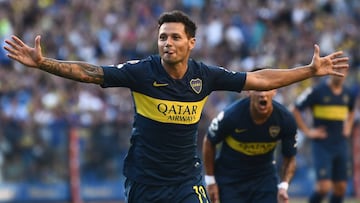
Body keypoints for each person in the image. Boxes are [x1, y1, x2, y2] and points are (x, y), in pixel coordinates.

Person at [3, 10, 349, 203]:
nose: (167, 43)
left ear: (191, 42)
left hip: (186, 182)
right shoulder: (140, 72)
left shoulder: (206, 76)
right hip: (145, 185)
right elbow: (91, 73)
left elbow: (260, 79)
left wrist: (309, 70)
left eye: (175, 37)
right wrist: (44, 63)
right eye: (163, 37)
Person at [202, 73, 297, 203]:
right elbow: (209, 141)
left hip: (264, 180)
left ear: (275, 90)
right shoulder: (230, 116)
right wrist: (210, 181)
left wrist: (283, 186)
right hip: (231, 180)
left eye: (267, 88)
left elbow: (290, 157)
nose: (263, 94)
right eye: (258, 89)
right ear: (248, 91)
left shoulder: (285, 119)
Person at [292, 68, 355, 203]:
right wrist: (308, 131)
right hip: (322, 145)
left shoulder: (348, 94)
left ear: (347, 72)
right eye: (338, 69)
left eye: (344, 70)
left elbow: (351, 111)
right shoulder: (317, 91)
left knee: (341, 188)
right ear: (331, 71)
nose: (341, 73)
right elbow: (296, 108)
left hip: (341, 144)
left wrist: (348, 126)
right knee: (324, 187)